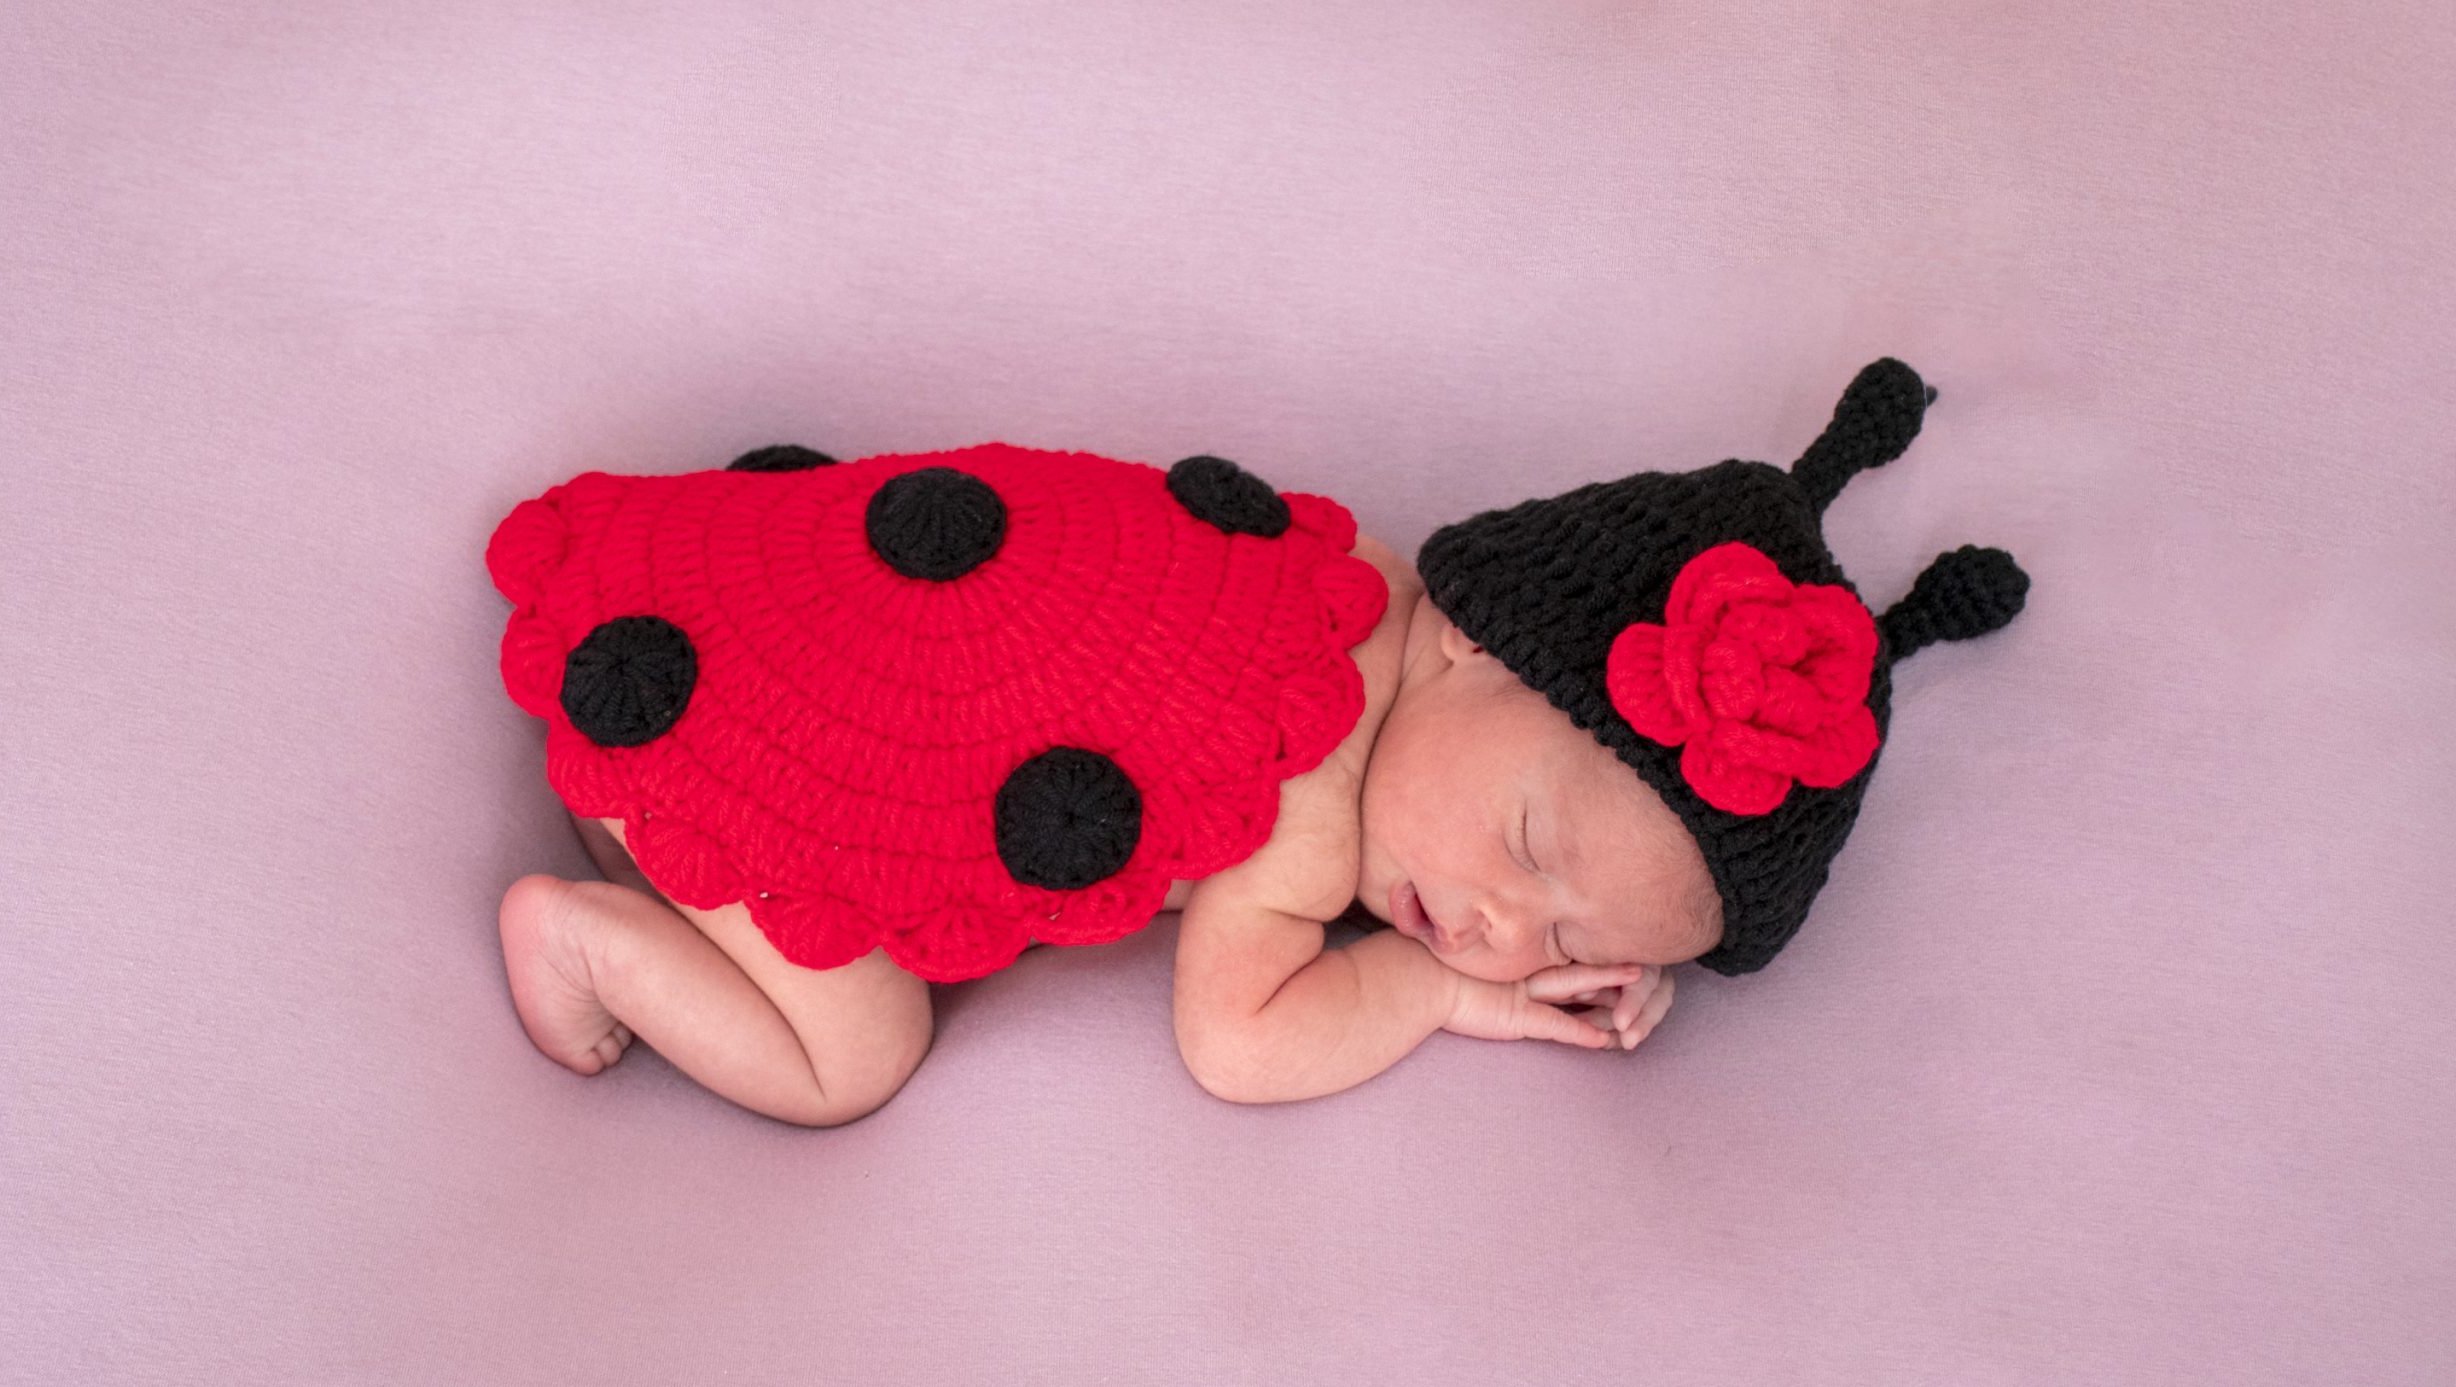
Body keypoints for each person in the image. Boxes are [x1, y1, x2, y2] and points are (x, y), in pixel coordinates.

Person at [492, 360, 2025, 1124]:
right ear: (1475, 642)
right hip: (743, 751)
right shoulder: (1301, 777)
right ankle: (586, 938)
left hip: (703, 600)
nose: (1499, 928)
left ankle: (637, 869)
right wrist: (1436, 991)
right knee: (851, 1058)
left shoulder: (1346, 577)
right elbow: (1238, 1043)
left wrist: (1572, 911)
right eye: (1529, 849)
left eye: (1566, 939)